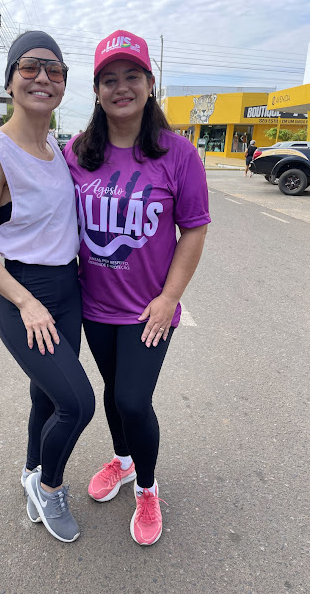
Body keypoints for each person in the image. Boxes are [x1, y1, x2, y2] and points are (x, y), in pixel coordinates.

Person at [63, 30, 210, 546]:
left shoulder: (178, 154)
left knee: (132, 398)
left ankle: (147, 486)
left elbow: (194, 229)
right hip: (95, 307)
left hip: (149, 311)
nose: (120, 87)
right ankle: (123, 461)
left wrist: (169, 299)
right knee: (112, 391)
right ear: (96, 90)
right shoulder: (77, 152)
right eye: (109, 79)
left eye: (132, 76)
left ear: (150, 84)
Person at [0, 31, 95, 544]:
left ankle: (31, 469)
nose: (43, 78)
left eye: (54, 70)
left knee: (48, 397)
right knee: (78, 404)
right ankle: (49, 487)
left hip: (66, 290)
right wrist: (26, 301)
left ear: (63, 85)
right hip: (24, 295)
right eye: (30, 67)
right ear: (11, 80)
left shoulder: (55, 147)